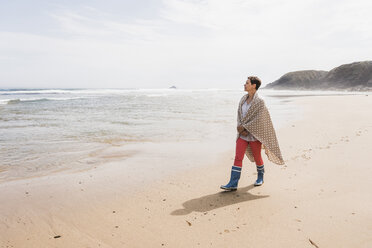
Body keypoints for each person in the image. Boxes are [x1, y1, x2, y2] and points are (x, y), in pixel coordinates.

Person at [220, 76, 284, 191]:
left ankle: (260, 177)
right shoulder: (243, 99)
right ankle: (233, 183)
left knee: (257, 156)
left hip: (255, 134)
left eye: (247, 83)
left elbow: (259, 119)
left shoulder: (260, 101)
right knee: (238, 157)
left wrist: (246, 128)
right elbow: (239, 115)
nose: (244, 85)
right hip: (242, 134)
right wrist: (240, 128)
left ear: (254, 85)